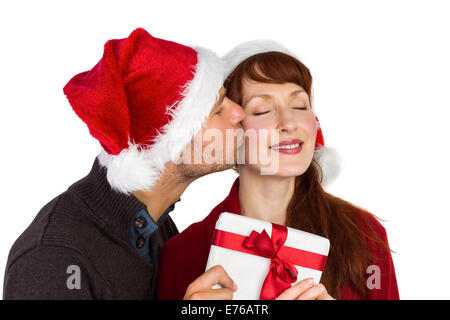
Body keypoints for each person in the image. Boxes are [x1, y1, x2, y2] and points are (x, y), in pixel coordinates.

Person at [3, 28, 244, 299]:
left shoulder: (155, 227)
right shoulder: (53, 257)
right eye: (218, 109)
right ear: (173, 143)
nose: (240, 112)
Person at [157, 40, 399, 300]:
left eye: (299, 106)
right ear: (233, 130)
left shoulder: (365, 235)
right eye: (263, 110)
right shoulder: (182, 255)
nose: (289, 123)